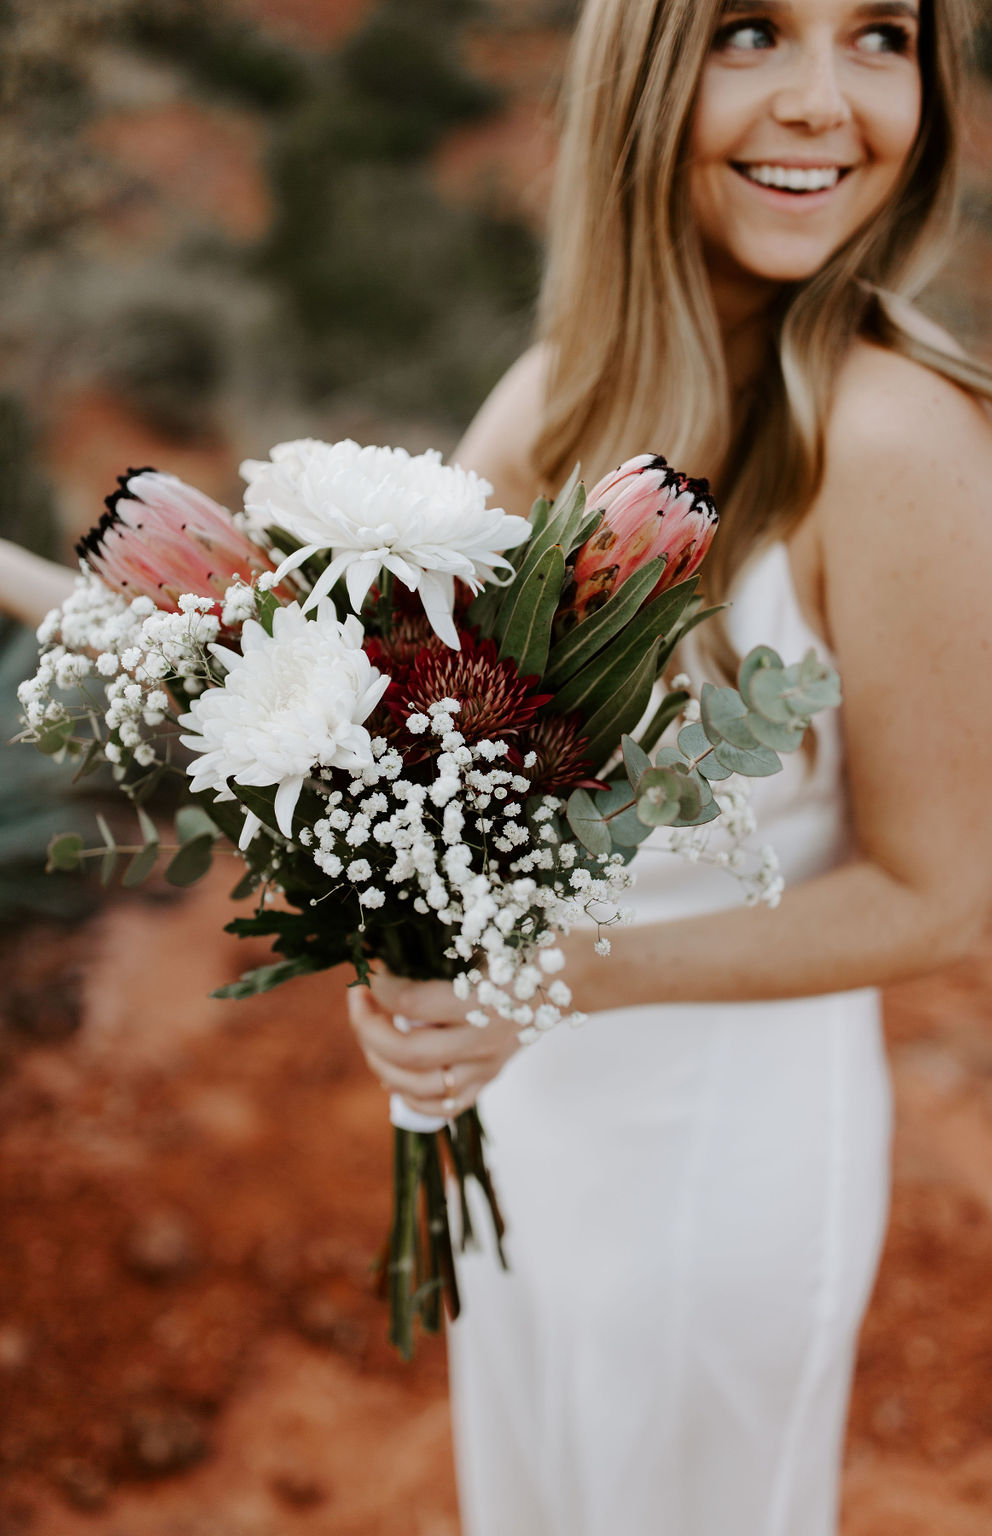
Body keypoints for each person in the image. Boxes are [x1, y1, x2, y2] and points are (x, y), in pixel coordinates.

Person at [346, 1, 992, 1533]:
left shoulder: (892, 440)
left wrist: (545, 979)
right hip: (529, 1122)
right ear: (644, 70)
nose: (825, 102)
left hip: (723, 1159)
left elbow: (943, 896)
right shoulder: (561, 395)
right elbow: (380, 719)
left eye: (881, 35)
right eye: (752, 31)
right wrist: (395, 947)